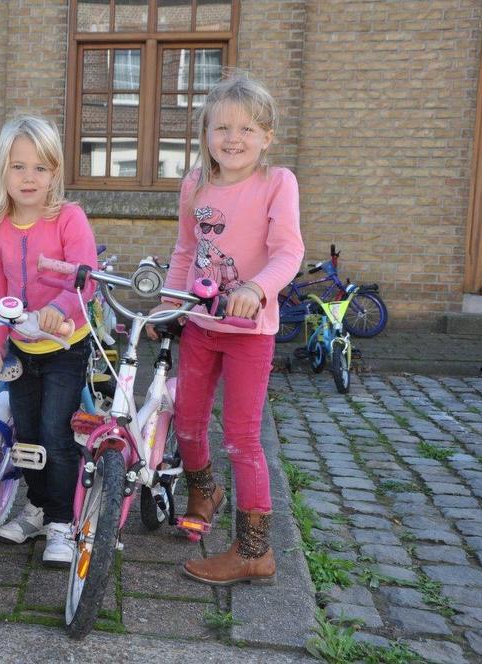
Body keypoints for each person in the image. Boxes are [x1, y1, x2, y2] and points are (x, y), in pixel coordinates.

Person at [149, 75, 304, 585]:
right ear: (206, 132)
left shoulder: (276, 182)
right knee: (188, 420)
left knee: (241, 437)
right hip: (201, 323)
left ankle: (254, 551)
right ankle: (203, 491)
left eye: (247, 128)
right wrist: (168, 305)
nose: (233, 138)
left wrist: (256, 289)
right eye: (223, 127)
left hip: (250, 332)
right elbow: (184, 252)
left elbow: (289, 251)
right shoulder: (195, 184)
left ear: (266, 136)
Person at [0, 116, 98, 565]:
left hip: (65, 345)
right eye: (18, 167)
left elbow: (87, 280)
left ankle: (63, 522)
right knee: (26, 435)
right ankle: (40, 508)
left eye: (40, 168)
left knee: (55, 433)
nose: (29, 178)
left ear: (55, 173)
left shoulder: (68, 218)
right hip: (22, 349)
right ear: (1, 171)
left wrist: (61, 308)